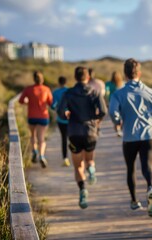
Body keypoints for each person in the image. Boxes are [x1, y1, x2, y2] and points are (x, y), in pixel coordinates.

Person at [109, 58, 152, 217]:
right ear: (139, 73)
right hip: (149, 135)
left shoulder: (118, 94)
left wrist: (118, 121)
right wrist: (150, 116)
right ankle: (150, 188)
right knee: (148, 167)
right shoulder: (150, 91)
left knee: (131, 169)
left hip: (129, 136)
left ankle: (134, 201)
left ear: (125, 74)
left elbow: (113, 113)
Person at [58, 66, 107, 209]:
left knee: (78, 165)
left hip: (74, 132)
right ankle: (91, 170)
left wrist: (66, 115)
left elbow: (60, 111)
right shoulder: (95, 92)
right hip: (91, 131)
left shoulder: (68, 93)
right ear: (87, 77)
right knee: (89, 159)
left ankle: (82, 189)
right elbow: (103, 111)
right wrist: (96, 119)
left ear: (75, 78)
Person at [19, 71, 53, 168]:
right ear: (42, 79)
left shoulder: (28, 89)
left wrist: (28, 102)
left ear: (34, 79)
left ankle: (34, 151)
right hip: (43, 116)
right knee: (41, 138)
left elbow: (21, 100)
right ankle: (41, 156)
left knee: (33, 135)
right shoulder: (46, 89)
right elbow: (51, 103)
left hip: (32, 116)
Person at [51, 76, 70, 167]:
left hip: (61, 119)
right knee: (72, 138)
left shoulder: (55, 92)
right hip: (71, 119)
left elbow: (53, 105)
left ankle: (65, 158)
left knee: (64, 139)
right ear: (66, 82)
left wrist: (58, 109)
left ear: (59, 82)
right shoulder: (70, 91)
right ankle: (76, 156)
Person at [106, 71, 125, 136]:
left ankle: (117, 128)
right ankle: (120, 127)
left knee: (114, 114)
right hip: (122, 101)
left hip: (112, 101)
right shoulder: (123, 83)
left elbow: (107, 93)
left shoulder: (108, 84)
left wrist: (107, 100)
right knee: (120, 115)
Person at [88, 68, 106, 136]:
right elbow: (103, 93)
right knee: (98, 116)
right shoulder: (100, 82)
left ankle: (96, 128)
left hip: (91, 103)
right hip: (98, 101)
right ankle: (97, 128)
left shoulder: (86, 83)